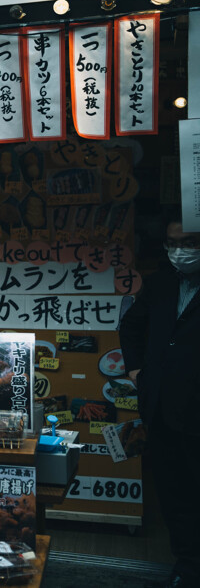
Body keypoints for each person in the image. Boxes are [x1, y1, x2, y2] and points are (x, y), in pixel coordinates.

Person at [119, 219, 200, 588]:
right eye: (172, 243)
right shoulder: (160, 282)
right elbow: (131, 326)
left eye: (189, 243)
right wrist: (137, 370)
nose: (180, 251)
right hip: (162, 408)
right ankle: (187, 566)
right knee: (174, 493)